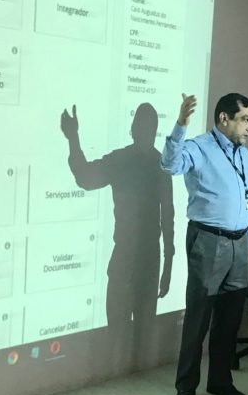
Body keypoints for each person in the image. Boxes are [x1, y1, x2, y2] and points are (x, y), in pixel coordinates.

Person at [161, 92, 248, 395]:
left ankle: (220, 381)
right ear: (224, 118)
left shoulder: (246, 157)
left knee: (230, 320)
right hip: (208, 241)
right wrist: (181, 123)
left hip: (239, 244)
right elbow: (169, 164)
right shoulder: (199, 147)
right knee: (199, 318)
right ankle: (186, 387)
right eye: (245, 120)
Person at [59, 102, 174, 369]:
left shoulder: (132, 161)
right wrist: (168, 265)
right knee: (136, 336)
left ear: (134, 128)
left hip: (133, 258)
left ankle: (122, 383)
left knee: (122, 335)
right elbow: (168, 218)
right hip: (140, 259)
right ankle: (130, 383)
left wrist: (73, 137)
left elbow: (85, 178)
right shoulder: (156, 164)